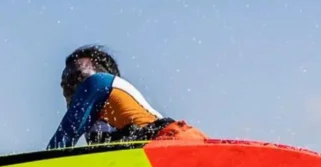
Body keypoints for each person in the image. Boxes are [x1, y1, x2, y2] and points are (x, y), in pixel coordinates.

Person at [47, 45, 206, 150]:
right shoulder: (95, 127)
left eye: (78, 78)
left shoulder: (98, 83)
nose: (70, 88)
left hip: (176, 143)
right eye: (64, 84)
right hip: (170, 150)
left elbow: (59, 147)